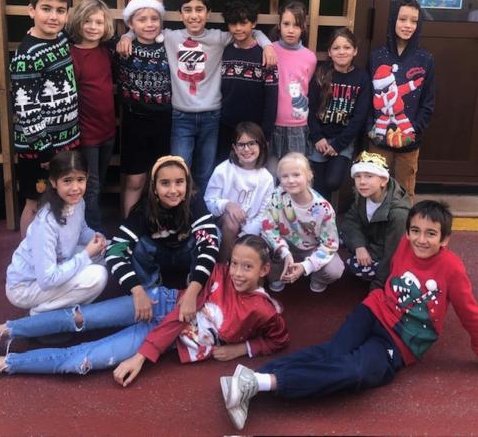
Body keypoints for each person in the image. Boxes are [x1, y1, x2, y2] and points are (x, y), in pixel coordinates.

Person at [221, 200, 478, 431]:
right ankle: (252, 380)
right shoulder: (403, 244)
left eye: (431, 233)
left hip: (400, 341)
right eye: (415, 231)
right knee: (333, 352)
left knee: (355, 371)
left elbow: (470, 314)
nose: (420, 239)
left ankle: (254, 381)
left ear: (445, 239)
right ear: (408, 231)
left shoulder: (452, 269)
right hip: (375, 310)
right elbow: (391, 273)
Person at [0, 236, 289, 384]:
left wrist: (241, 349)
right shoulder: (217, 274)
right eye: (234, 263)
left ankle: (0, 363)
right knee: (81, 317)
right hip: (162, 304)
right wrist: (141, 356)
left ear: (264, 270)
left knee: (80, 361)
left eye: (247, 267)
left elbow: (279, 339)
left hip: (166, 338)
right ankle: (1, 331)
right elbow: (178, 317)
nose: (236, 272)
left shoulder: (265, 311)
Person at [119, 0, 276, 194]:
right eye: (188, 10)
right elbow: (142, 30)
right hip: (180, 117)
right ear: (180, 14)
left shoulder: (219, 38)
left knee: (205, 172)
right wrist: (127, 36)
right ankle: (180, 210)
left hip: (211, 117)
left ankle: (202, 211)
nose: (194, 15)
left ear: (208, 13)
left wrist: (268, 46)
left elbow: (251, 30)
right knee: (179, 170)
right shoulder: (169, 37)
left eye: (199, 9)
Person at [105, 155, 219, 324]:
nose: (173, 190)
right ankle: (150, 290)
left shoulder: (194, 202)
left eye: (179, 182)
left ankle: (193, 282)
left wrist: (192, 292)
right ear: (154, 187)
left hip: (185, 256)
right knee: (137, 244)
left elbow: (210, 245)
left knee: (213, 235)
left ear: (187, 184)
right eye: (165, 183)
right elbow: (114, 252)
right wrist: (136, 290)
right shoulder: (143, 209)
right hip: (158, 257)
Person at [10, 0, 80, 238]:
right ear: (31, 10)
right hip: (39, 149)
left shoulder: (60, 38)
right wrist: (44, 149)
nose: (53, 16)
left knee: (61, 199)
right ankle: (28, 253)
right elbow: (26, 108)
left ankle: (56, 249)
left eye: (60, 10)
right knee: (36, 201)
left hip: (66, 141)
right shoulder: (27, 56)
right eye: (46, 9)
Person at [4, 150, 108, 315]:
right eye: (67, 181)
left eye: (80, 179)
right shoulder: (46, 222)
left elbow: (81, 230)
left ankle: (56, 306)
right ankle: (42, 313)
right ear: (53, 182)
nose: (75, 188)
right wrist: (86, 254)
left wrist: (99, 238)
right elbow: (47, 279)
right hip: (25, 286)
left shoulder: (78, 202)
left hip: (55, 265)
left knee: (103, 256)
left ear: (87, 178)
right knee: (98, 276)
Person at [368, 0, 435, 204]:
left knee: (404, 193)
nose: (408, 25)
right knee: (375, 190)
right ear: (392, 20)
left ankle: (402, 226)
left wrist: (414, 130)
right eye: (402, 19)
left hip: (409, 141)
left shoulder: (425, 59)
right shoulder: (376, 57)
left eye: (414, 21)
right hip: (378, 139)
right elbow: (367, 97)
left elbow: (428, 102)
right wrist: (370, 129)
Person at [117, 0, 172, 216]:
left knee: (162, 177)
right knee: (135, 180)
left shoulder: (169, 44)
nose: (149, 24)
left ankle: (159, 221)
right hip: (135, 123)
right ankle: (127, 225)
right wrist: (126, 36)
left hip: (165, 122)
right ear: (131, 23)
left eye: (154, 18)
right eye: (142, 19)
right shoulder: (123, 48)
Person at [260, 152, 344, 293]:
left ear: (309, 175)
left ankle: (316, 277)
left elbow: (330, 244)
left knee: (334, 269)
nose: (290, 180)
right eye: (285, 176)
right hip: (284, 245)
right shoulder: (277, 195)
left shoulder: (323, 208)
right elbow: (268, 228)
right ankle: (277, 275)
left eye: (296, 175)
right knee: (258, 249)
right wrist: (284, 252)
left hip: (311, 248)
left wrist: (307, 266)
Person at [66, 0, 116, 232]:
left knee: (100, 182)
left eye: (99, 22)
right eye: (87, 21)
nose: (93, 27)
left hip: (108, 130)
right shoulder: (72, 54)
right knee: (91, 185)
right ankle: (93, 232)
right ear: (78, 22)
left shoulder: (106, 51)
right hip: (87, 134)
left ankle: (88, 227)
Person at [308, 28, 371, 201]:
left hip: (342, 141)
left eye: (347, 47)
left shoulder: (362, 78)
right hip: (319, 140)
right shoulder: (321, 74)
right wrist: (317, 137)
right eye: (336, 48)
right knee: (317, 184)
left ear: (355, 51)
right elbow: (310, 109)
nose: (341, 52)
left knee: (333, 181)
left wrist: (338, 144)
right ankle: (324, 216)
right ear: (329, 52)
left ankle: (327, 214)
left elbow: (359, 117)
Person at [217, 0, 278, 162]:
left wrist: (265, 133)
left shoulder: (266, 55)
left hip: (254, 129)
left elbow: (272, 99)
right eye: (233, 23)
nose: (238, 28)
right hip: (226, 126)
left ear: (254, 23)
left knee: (252, 170)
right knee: (226, 168)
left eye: (243, 23)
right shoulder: (224, 51)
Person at [205, 122, 274, 262]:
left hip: (253, 227)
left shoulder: (267, 178)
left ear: (261, 145)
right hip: (223, 222)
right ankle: (223, 265)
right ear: (234, 148)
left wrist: (246, 233)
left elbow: (265, 213)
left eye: (251, 143)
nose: (246, 149)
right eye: (241, 144)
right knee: (232, 222)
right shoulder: (223, 170)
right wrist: (227, 205)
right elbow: (209, 200)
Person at [341, 151, 411, 289]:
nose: (362, 182)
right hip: (370, 238)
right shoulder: (365, 193)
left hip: (383, 249)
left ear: (383, 180)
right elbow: (350, 220)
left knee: (355, 267)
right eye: (358, 176)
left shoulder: (399, 213)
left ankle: (383, 278)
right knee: (339, 237)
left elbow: (393, 252)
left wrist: (378, 285)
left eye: (369, 176)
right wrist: (359, 246)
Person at [269, 1, 317, 170]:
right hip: (272, 123)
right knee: (271, 173)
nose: (290, 30)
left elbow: (305, 85)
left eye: (296, 25)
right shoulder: (269, 50)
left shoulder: (309, 57)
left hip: (298, 125)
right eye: (286, 24)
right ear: (279, 25)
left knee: (295, 174)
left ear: (303, 28)